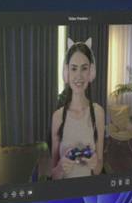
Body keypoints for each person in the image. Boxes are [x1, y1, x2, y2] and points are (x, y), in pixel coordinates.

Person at [45, 40, 106, 179]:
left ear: (91, 71)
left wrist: (95, 163)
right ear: (66, 72)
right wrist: (60, 167)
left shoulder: (98, 113)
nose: (79, 75)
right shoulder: (58, 117)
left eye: (84, 68)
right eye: (73, 68)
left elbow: (98, 169)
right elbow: (54, 175)